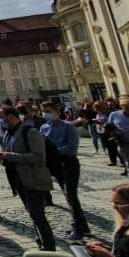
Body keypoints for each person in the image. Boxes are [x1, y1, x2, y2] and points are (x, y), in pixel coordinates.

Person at [0, 106, 55, 251]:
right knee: (32, 214)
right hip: (19, 179)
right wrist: (3, 156)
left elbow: (39, 157)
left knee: (38, 216)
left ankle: (49, 248)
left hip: (33, 178)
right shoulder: (8, 134)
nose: (0, 121)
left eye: (1, 117)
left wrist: (9, 156)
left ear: (10, 117)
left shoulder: (30, 131)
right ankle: (40, 241)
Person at [39, 101, 89, 240]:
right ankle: (83, 225)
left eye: (48, 111)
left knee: (71, 195)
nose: (45, 114)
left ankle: (78, 227)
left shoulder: (68, 126)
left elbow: (71, 148)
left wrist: (53, 152)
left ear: (56, 111)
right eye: (43, 111)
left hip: (69, 164)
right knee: (67, 194)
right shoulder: (43, 127)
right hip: (54, 165)